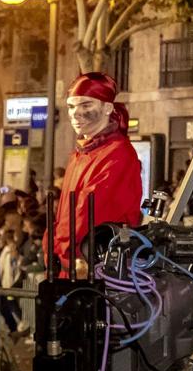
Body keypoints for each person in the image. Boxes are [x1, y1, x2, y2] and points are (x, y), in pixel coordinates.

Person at [52, 71, 143, 268]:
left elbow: (86, 210)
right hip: (74, 261)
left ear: (107, 108)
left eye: (86, 105)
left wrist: (61, 251)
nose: (76, 113)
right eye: (71, 106)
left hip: (94, 264)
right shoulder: (80, 153)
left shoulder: (118, 153)